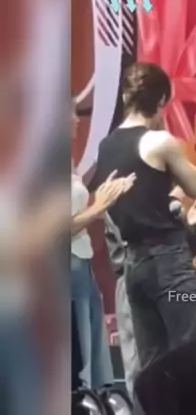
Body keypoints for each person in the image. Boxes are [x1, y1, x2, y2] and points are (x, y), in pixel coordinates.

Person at [91, 62, 196, 371]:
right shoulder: (160, 141)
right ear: (161, 102)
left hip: (133, 265)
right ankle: (193, 407)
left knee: (152, 363)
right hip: (169, 260)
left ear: (125, 97)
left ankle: (157, 406)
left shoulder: (105, 146)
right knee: (193, 353)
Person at [104, 189, 196, 399]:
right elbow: (119, 251)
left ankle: (188, 411)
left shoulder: (170, 200)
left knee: (188, 351)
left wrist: (189, 225)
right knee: (141, 363)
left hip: (174, 274)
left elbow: (188, 247)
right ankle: (144, 413)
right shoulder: (119, 195)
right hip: (133, 277)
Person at [71, 99, 135, 390]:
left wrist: (104, 196)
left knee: (92, 352)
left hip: (82, 264)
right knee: (76, 356)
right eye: (71, 113)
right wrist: (99, 206)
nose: (77, 120)